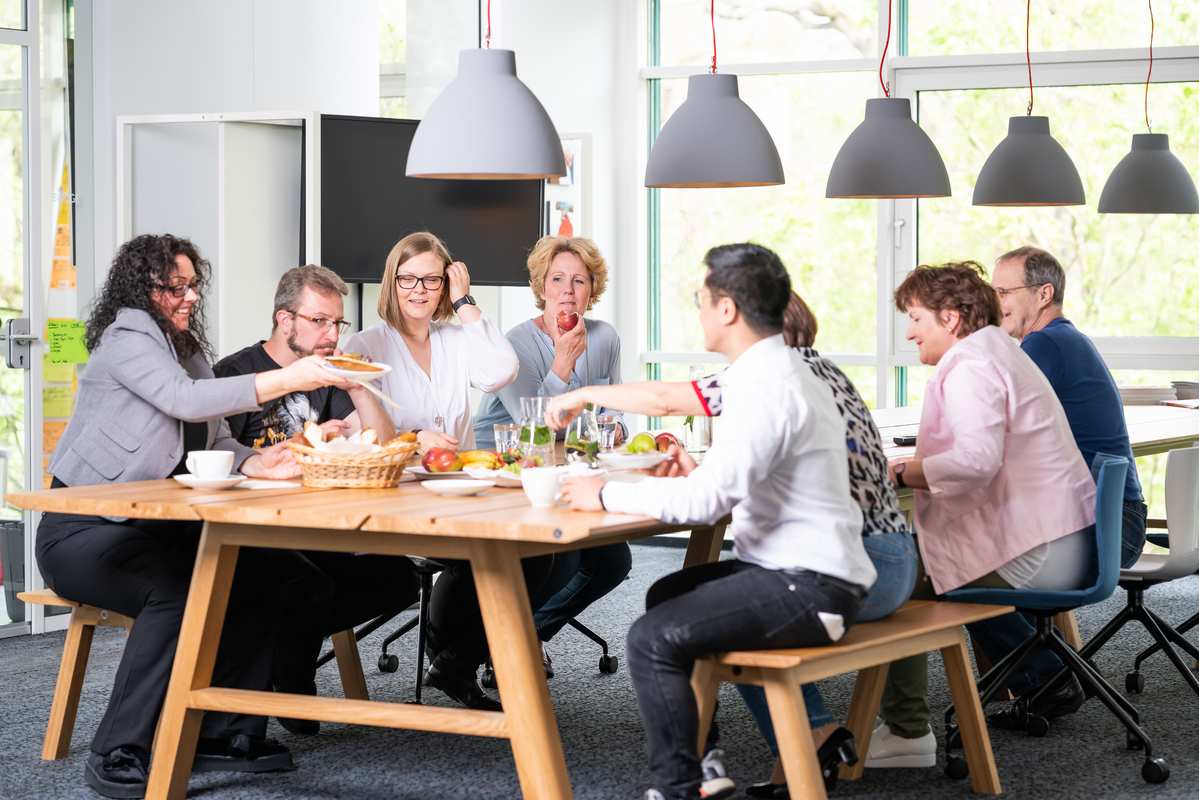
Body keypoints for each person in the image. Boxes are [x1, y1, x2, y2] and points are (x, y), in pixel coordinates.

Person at [546, 291, 915, 797]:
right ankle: (743, 753)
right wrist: (703, 476)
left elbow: (663, 401)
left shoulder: (766, 382)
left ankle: (705, 772)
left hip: (856, 565)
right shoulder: (814, 372)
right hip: (871, 554)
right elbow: (768, 485)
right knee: (673, 597)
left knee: (685, 626)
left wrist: (592, 436)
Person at [35, 234, 355, 799]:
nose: (188, 297)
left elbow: (214, 437)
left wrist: (260, 462)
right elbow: (183, 401)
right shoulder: (127, 338)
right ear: (142, 289)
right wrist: (291, 378)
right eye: (174, 287)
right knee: (176, 593)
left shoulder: (184, 350)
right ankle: (118, 749)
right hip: (82, 528)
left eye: (192, 286)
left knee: (264, 570)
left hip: (153, 526)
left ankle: (221, 732)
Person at [866, 262, 1096, 770]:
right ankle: (1043, 673)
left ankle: (905, 732)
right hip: (1063, 538)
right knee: (934, 561)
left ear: (950, 319)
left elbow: (974, 462)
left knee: (894, 575)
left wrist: (902, 473)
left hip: (1043, 548)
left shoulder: (971, 365)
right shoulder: (996, 351)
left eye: (915, 318)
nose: (908, 332)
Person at [343, 231, 550, 710]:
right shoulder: (366, 343)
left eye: (432, 280)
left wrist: (467, 301)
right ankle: (450, 655)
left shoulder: (456, 337)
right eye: (408, 278)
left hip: (460, 486)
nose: (418, 290)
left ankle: (455, 660)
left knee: (539, 550)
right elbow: (362, 433)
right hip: (399, 490)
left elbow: (500, 370)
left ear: (444, 285)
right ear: (392, 282)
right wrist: (415, 438)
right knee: (476, 554)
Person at [213, 264, 420, 735]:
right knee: (305, 584)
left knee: (398, 579)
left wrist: (354, 385)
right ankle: (288, 674)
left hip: (321, 526)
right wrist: (298, 448)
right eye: (320, 321)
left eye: (337, 323)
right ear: (286, 321)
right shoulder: (238, 374)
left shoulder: (329, 374)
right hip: (255, 534)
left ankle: (284, 659)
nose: (332, 334)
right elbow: (218, 456)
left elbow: (384, 442)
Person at [981, 245, 1148, 727]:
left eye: (1004, 291)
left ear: (1044, 293)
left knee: (959, 572)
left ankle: (1046, 681)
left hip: (1097, 533)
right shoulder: (1063, 342)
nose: (996, 302)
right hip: (1109, 524)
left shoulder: (1045, 345)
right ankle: (1042, 679)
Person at [474, 235, 631, 671]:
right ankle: (501, 647)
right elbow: (533, 432)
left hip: (566, 474)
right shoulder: (516, 344)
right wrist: (561, 363)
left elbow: (613, 404)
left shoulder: (604, 338)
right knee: (565, 556)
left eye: (579, 281)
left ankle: (525, 633)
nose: (567, 290)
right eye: (557, 279)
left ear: (591, 291)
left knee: (613, 561)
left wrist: (616, 424)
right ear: (542, 287)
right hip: (507, 478)